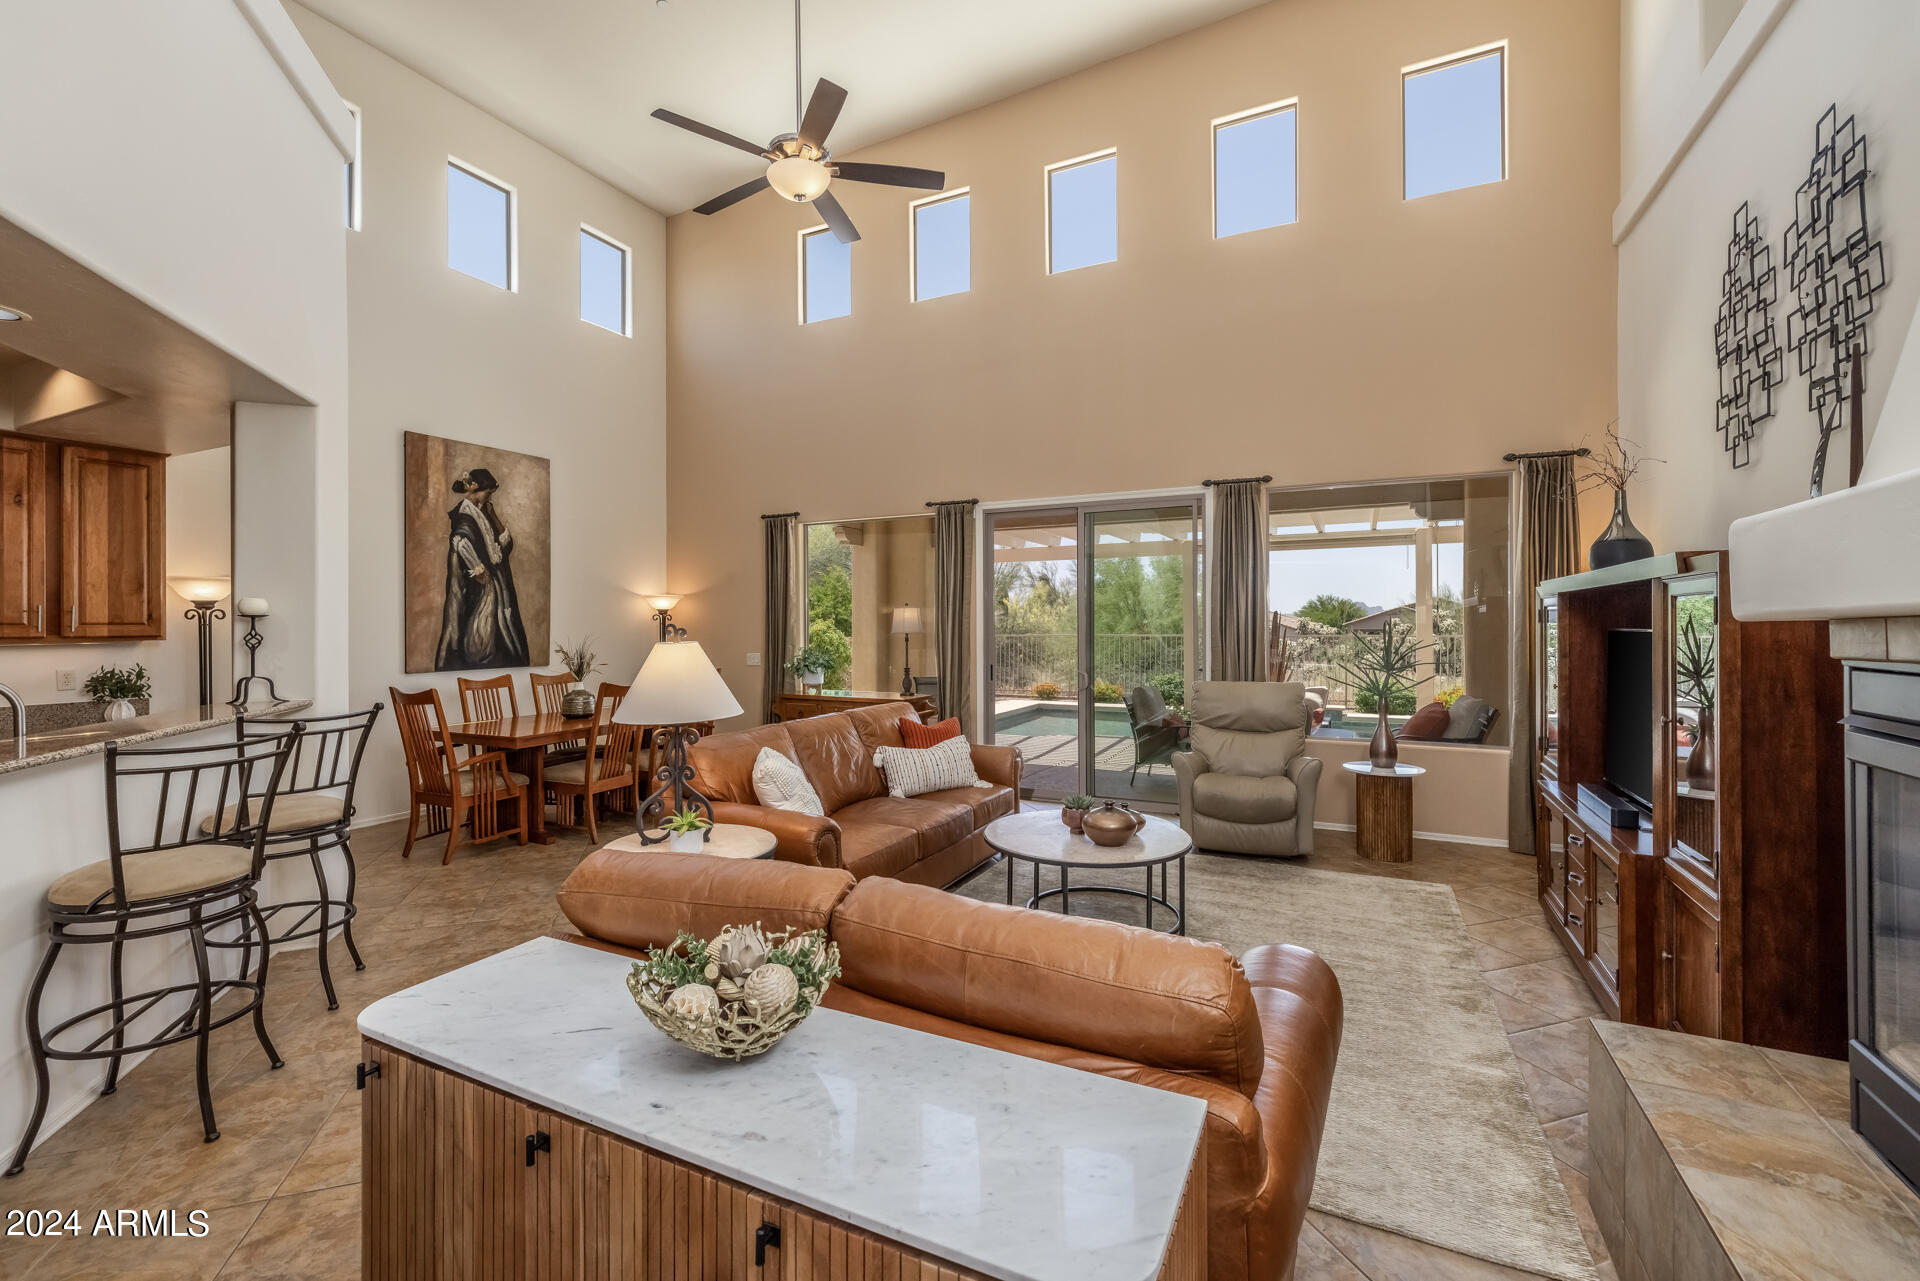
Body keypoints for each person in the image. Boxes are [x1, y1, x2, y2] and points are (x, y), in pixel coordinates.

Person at [434, 467, 531, 670]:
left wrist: (493, 515)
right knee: (480, 635)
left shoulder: (482, 513)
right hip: (480, 591)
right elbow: (459, 541)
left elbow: (505, 545)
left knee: (501, 636)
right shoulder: (465, 515)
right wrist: (478, 570)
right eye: (488, 493)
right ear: (476, 489)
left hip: (496, 589)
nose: (489, 497)